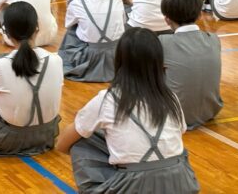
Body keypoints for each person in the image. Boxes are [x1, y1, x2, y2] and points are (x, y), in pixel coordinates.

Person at [56, 28, 200, 193]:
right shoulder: (170, 97)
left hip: (133, 186)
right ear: (159, 61)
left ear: (119, 61)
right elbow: (179, 133)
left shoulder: (107, 99)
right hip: (181, 183)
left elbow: (62, 145)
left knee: (82, 139)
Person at [0, 2, 64, 156]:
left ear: (7, 33)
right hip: (46, 134)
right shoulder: (56, 60)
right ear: (37, 27)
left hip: (6, 138)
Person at [160, 0, 223, 129]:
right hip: (211, 111)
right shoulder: (214, 39)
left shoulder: (164, 42)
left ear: (167, 19)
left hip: (174, 116)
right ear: (200, 15)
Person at [58, 0, 126, 82]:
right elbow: (123, 22)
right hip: (116, 55)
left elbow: (69, 24)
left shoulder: (78, 2)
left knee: (71, 30)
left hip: (88, 56)